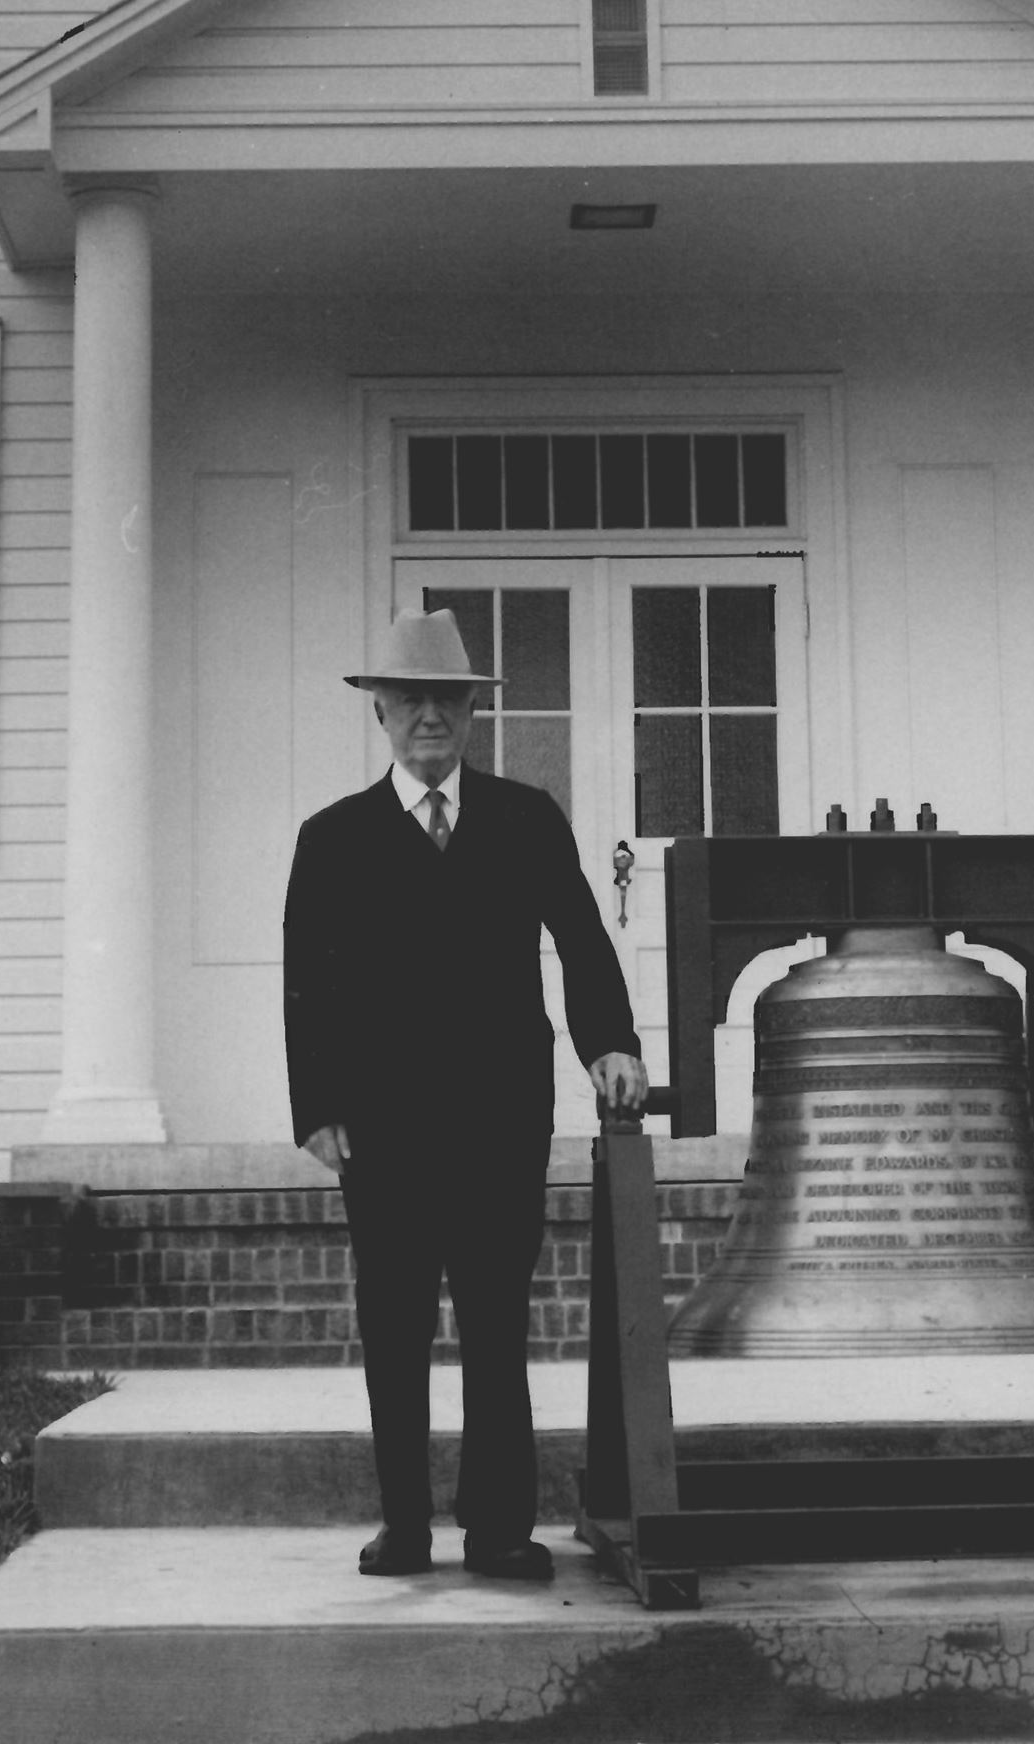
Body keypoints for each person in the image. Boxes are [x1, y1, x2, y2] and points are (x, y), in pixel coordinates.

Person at [283, 607, 647, 1584]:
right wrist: (315, 1103)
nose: (429, 717)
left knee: (494, 1323)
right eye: (410, 701)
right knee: (395, 1324)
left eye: (446, 700)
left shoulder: (527, 817)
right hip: (382, 1129)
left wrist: (608, 1044)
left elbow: (581, 938)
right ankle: (404, 1521)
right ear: (382, 714)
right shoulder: (333, 837)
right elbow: (306, 979)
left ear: (472, 712)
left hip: (499, 1120)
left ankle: (497, 1528)